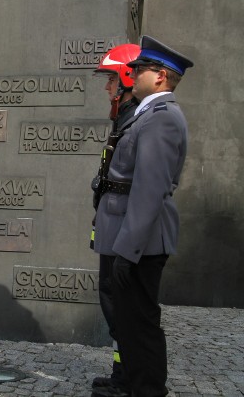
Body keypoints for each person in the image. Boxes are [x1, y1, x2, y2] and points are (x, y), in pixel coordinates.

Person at [92, 35, 193, 397]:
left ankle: (147, 390)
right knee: (130, 321)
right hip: (129, 234)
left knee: (141, 322)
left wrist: (128, 249)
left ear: (161, 76)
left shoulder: (162, 119)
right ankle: (131, 381)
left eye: (140, 69)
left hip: (141, 240)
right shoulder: (147, 114)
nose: (133, 75)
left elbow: (148, 191)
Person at [89, 43, 140, 394]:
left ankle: (130, 378)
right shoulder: (123, 117)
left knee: (122, 301)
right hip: (113, 221)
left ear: (125, 78)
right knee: (111, 297)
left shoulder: (136, 119)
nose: (107, 87)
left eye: (110, 79)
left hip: (125, 227)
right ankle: (122, 372)